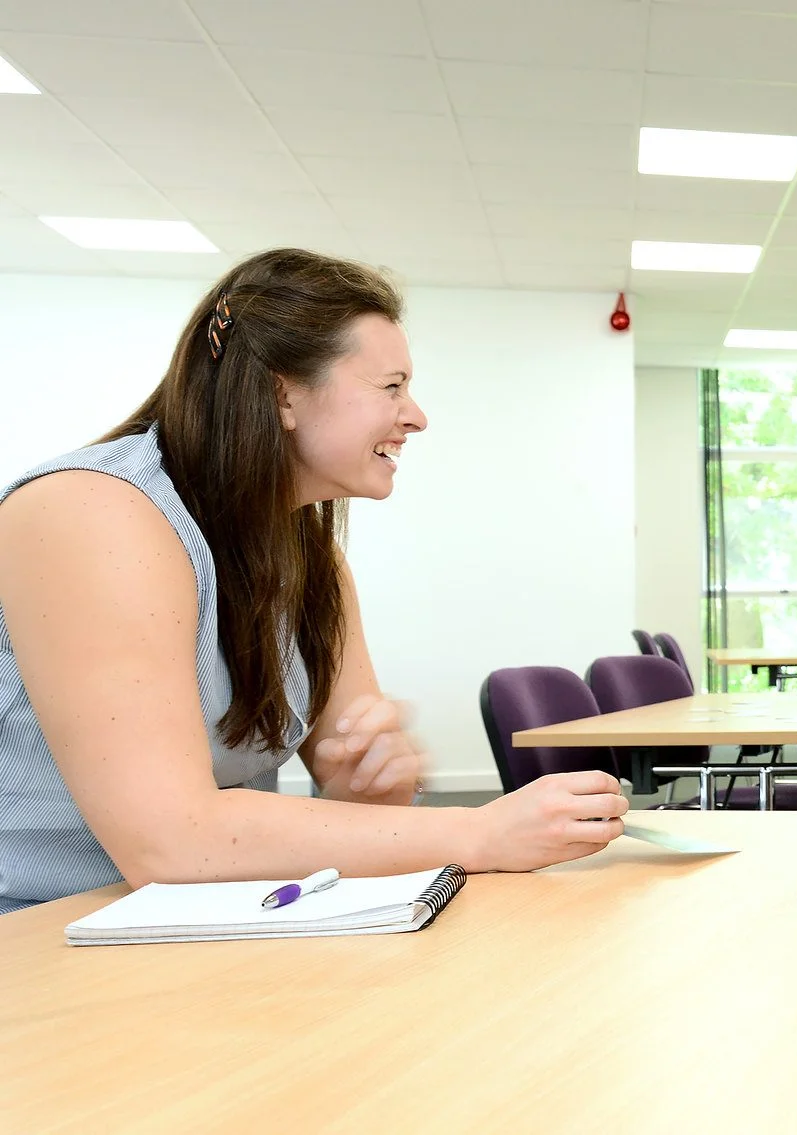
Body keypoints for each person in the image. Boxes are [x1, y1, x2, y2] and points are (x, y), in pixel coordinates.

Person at [0, 249, 625, 914]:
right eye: (391, 386)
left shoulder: (310, 557)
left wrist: (371, 784)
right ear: (282, 392)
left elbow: (347, 791)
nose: (416, 416)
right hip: (37, 940)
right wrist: (480, 829)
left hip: (197, 925)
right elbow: (173, 844)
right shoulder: (89, 512)